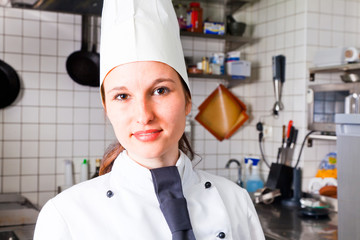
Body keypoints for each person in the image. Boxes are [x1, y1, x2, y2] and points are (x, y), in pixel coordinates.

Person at [34, 0, 265, 239]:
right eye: (122, 96)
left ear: (187, 100)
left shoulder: (236, 200)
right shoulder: (65, 217)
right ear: (107, 109)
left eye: (160, 90)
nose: (144, 115)